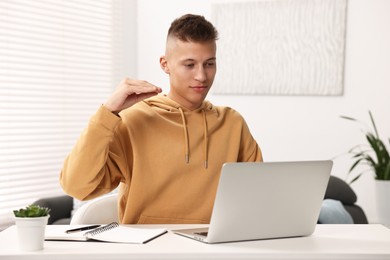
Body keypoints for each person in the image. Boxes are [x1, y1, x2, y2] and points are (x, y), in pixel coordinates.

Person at [60, 14, 263, 224]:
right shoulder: (134, 121)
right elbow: (76, 186)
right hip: (149, 249)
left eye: (209, 64)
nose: (202, 76)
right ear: (165, 64)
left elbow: (258, 196)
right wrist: (107, 113)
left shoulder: (232, 123)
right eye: (189, 65)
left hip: (213, 249)